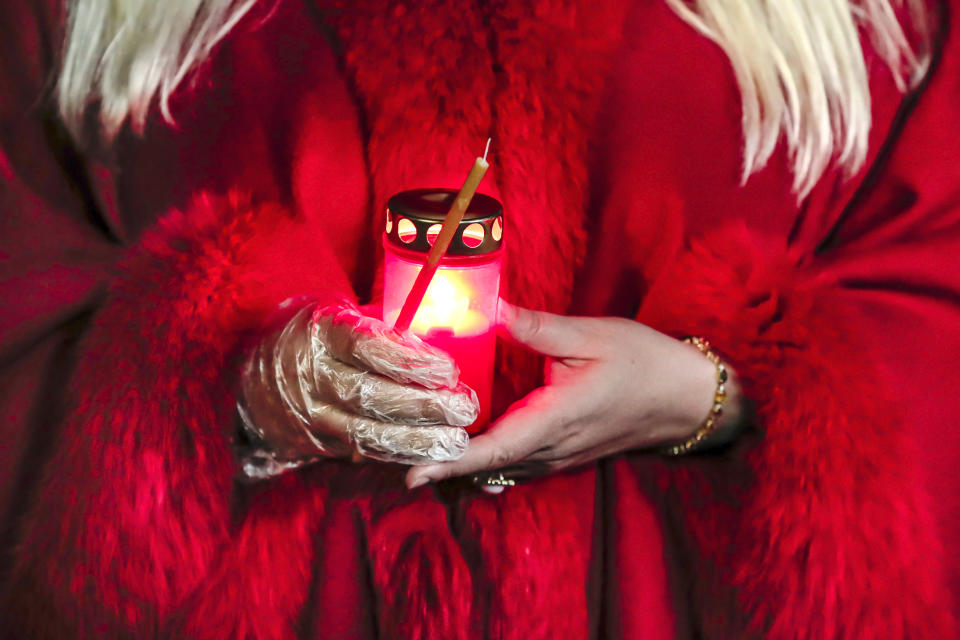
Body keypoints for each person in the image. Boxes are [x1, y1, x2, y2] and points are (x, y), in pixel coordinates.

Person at [0, 0, 958, 637]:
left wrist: (720, 393)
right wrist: (210, 375)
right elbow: (26, 270)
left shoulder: (890, 19)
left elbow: (937, 273)